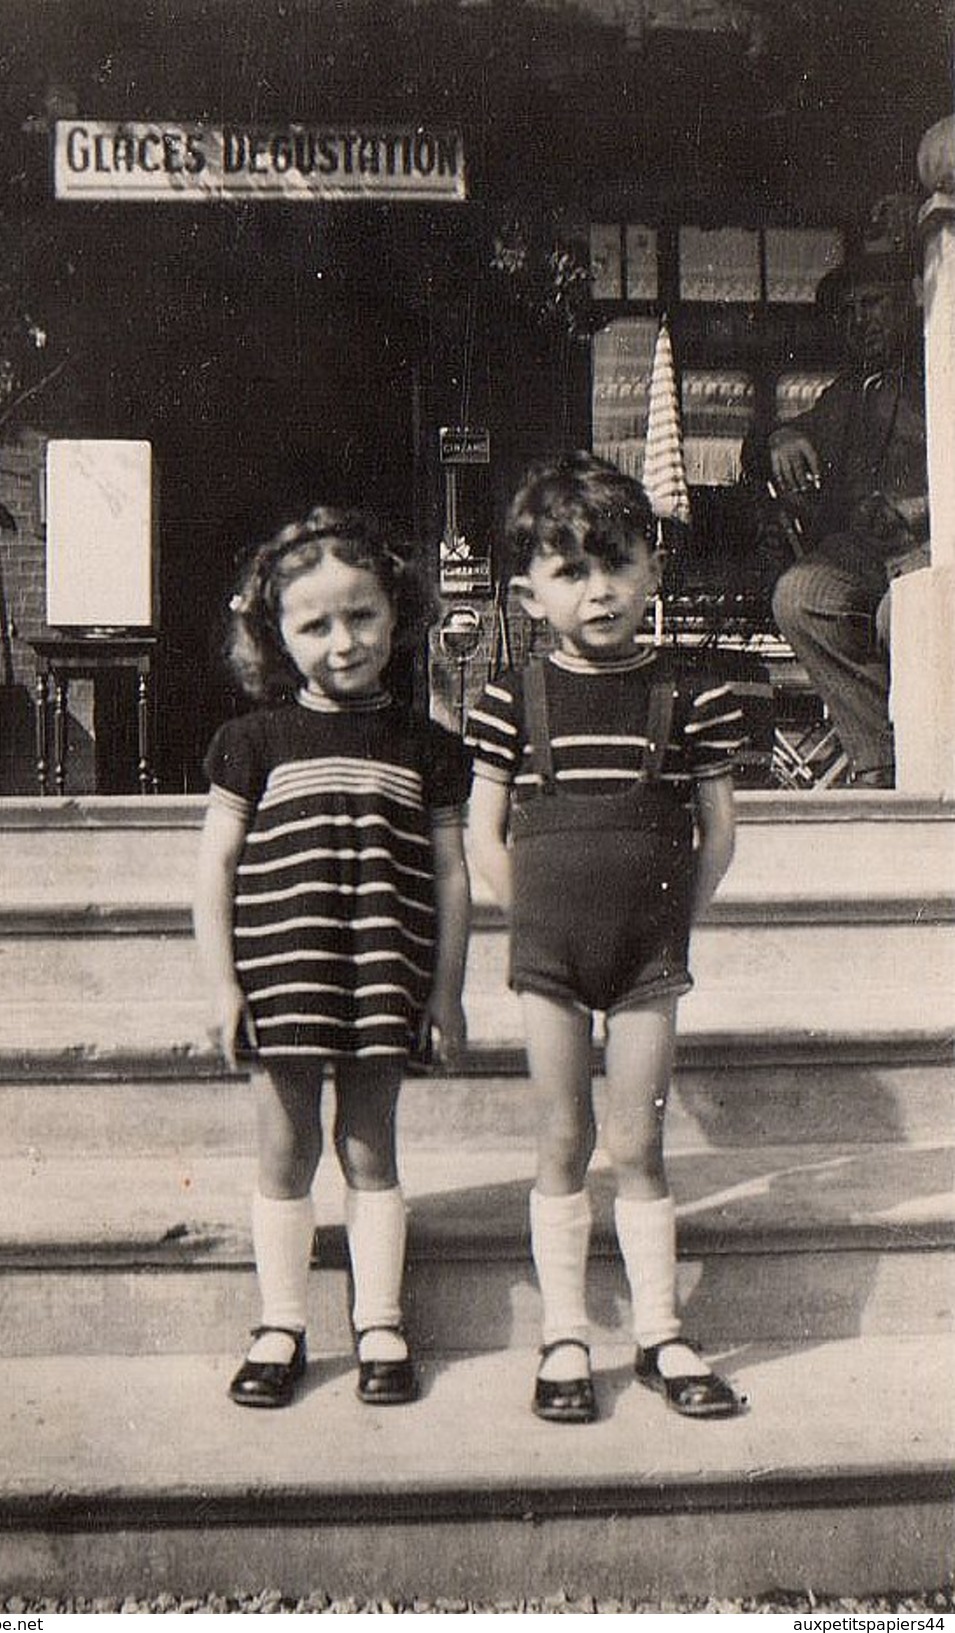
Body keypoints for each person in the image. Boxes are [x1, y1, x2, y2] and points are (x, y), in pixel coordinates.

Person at [466, 453, 744, 1424]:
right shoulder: (510, 699)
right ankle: (566, 1335)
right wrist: (529, 917)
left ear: (653, 569)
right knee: (560, 1136)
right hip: (548, 957)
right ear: (528, 592)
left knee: (637, 1140)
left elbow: (719, 837)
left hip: (644, 961)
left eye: (618, 563)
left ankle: (662, 1331)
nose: (600, 590)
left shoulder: (692, 698)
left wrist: (671, 923)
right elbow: (480, 832)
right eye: (572, 570)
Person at [194, 506, 471, 1409]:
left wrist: (447, 993)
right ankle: (280, 1323)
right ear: (275, 635)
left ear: (398, 616)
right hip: (284, 975)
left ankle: (380, 1321)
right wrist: (223, 984)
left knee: (368, 1143)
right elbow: (216, 869)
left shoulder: (426, 748)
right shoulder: (255, 742)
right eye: (314, 624)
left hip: (385, 973)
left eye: (361, 616)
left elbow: (452, 875)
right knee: (285, 1147)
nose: (342, 641)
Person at [760, 237, 929, 788]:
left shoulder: (942, 373)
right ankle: (880, 758)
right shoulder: (847, 393)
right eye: (850, 312)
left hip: (934, 549)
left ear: (912, 300)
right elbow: (782, 434)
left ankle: (927, 751)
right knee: (801, 596)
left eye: (873, 305)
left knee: (899, 619)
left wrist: (918, 511)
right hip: (864, 556)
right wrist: (782, 436)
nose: (860, 322)